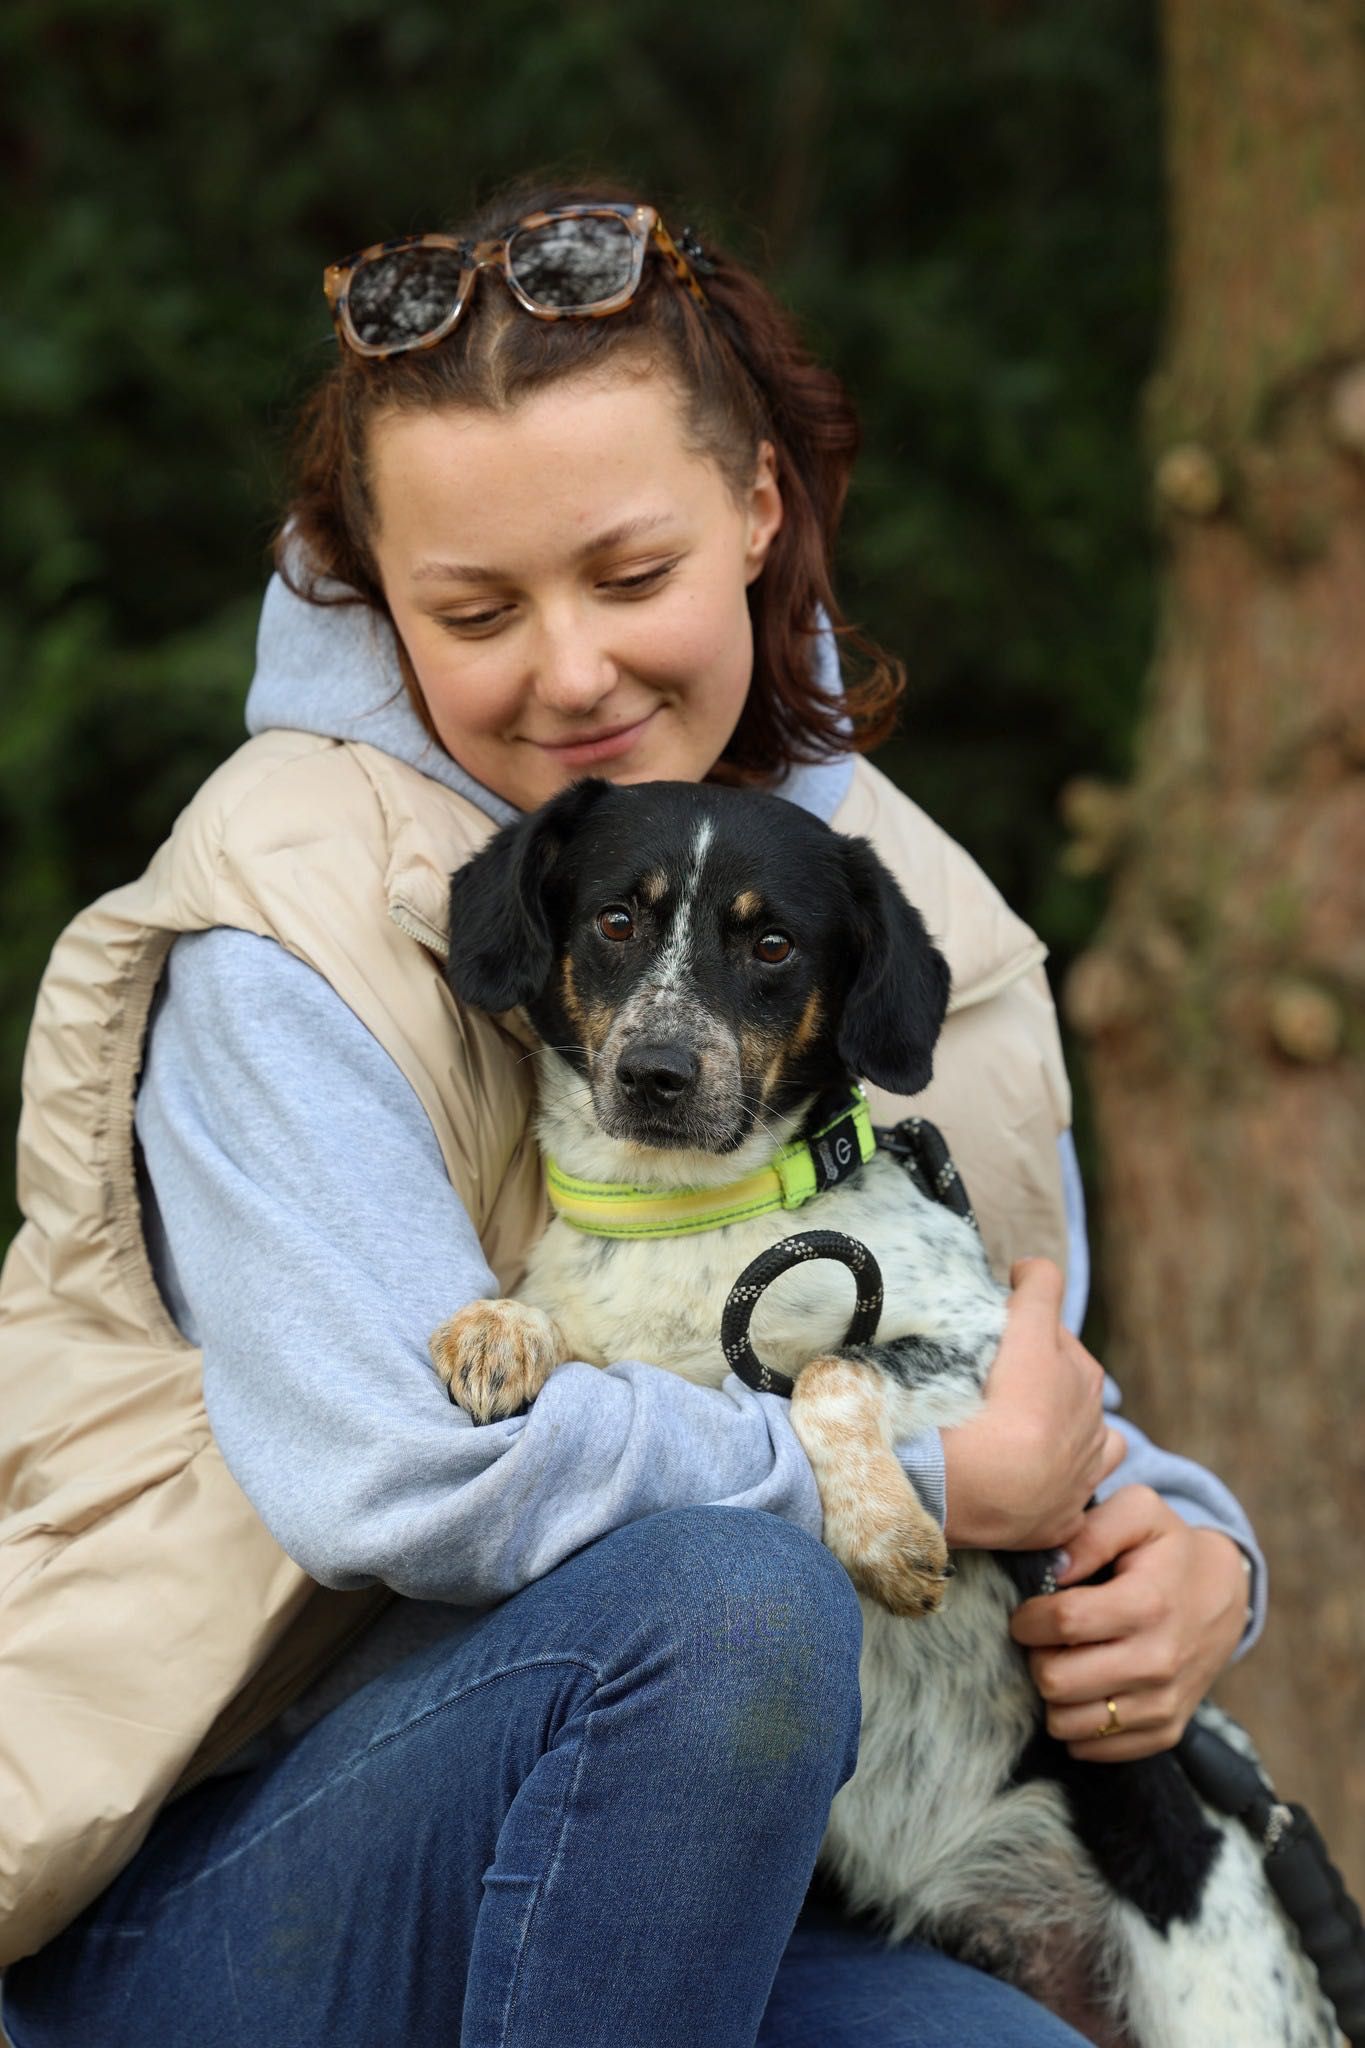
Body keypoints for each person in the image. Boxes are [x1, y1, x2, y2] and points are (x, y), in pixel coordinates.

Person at [0, 178, 1262, 2048]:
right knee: (737, 1601)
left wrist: (1187, 1554)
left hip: (754, 1856)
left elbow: (980, 1362)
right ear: (366, 584)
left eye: (630, 574)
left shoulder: (899, 913)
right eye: (476, 607)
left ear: (755, 511)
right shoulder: (278, 917)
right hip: (224, 1869)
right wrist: (909, 1495)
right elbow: (403, 1476)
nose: (572, 670)